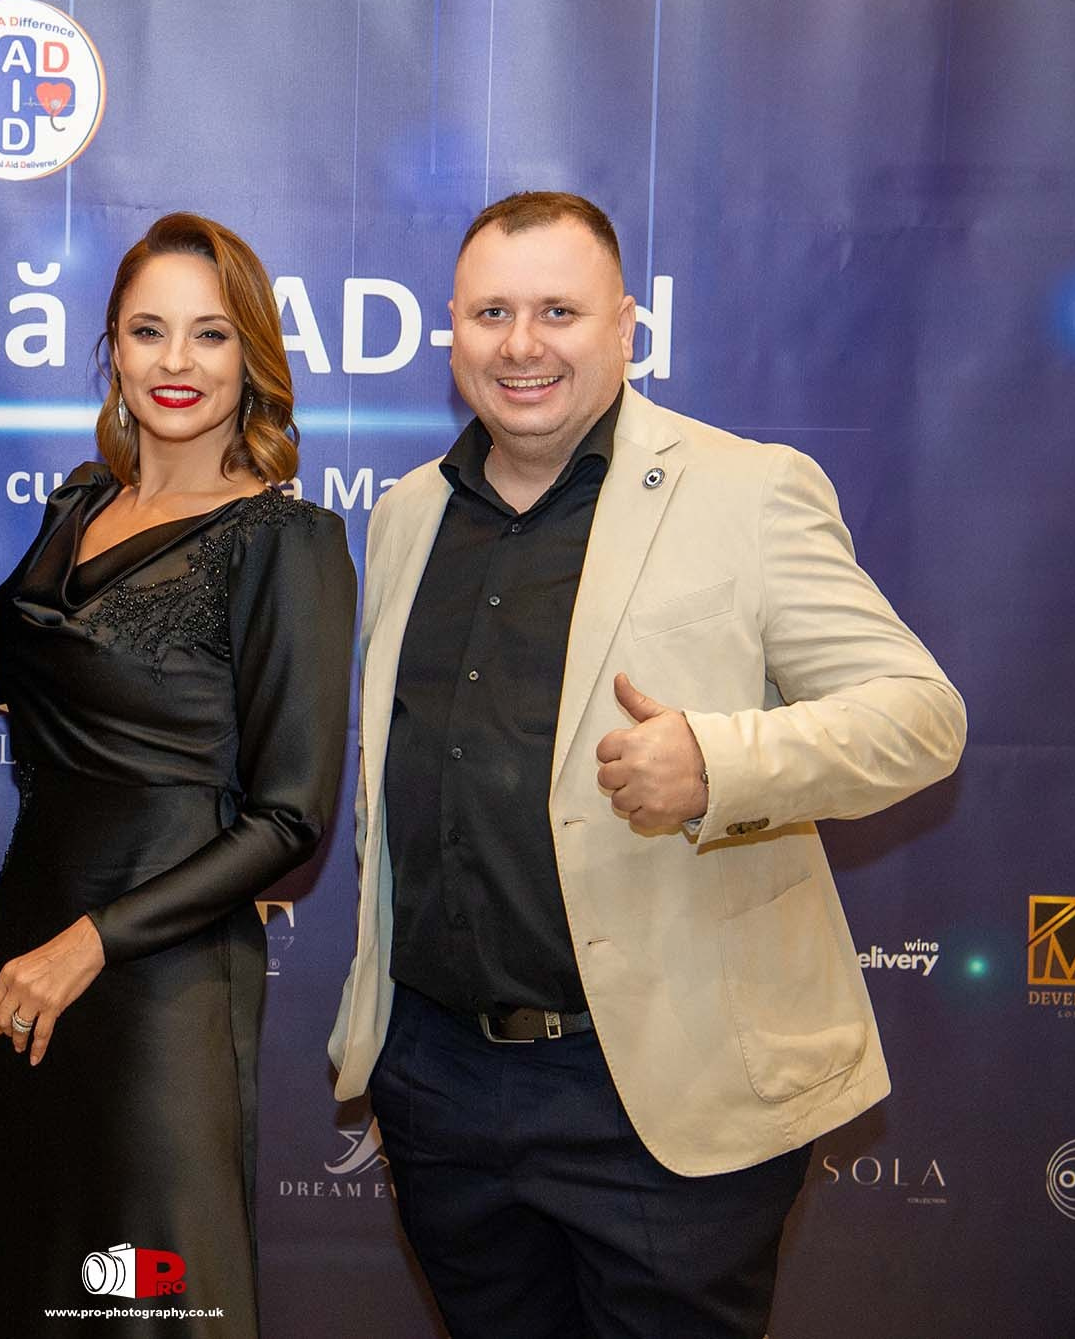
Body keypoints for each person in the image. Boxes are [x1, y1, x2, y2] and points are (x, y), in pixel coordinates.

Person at [327, 191, 966, 1339]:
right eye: (489, 314)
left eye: (557, 311)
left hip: (660, 1093)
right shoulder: (404, 514)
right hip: (441, 1088)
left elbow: (920, 716)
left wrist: (718, 762)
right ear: (451, 330)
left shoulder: (748, 489)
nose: (519, 345)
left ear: (625, 326)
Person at [0, 213, 356, 1337]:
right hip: (26, 954)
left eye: (209, 335)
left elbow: (289, 818)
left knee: (136, 1295)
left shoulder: (288, 543)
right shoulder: (76, 506)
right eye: (147, 331)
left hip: (157, 986)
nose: (175, 362)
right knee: (27, 1278)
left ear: (252, 357)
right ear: (112, 353)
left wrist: (91, 943)